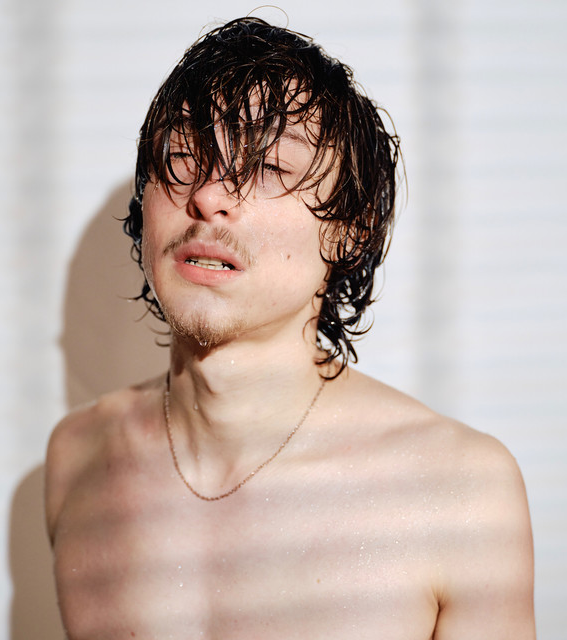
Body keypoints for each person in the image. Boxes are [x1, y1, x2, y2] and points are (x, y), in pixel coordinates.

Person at [45, 17, 535, 639]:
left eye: (271, 167)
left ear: (350, 230)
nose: (209, 195)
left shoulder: (459, 493)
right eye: (183, 158)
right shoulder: (78, 459)